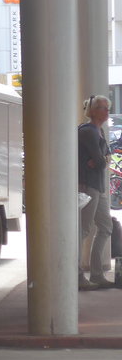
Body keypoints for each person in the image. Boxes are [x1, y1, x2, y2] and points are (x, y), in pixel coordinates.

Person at [78, 94, 113, 290]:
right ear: (93, 111)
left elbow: (105, 159)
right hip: (88, 185)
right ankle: (77, 275)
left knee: (105, 227)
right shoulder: (88, 131)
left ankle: (97, 274)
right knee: (83, 229)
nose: (107, 112)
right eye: (103, 108)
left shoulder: (99, 131)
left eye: (107, 108)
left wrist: (100, 160)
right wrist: (100, 161)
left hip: (97, 185)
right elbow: (101, 161)